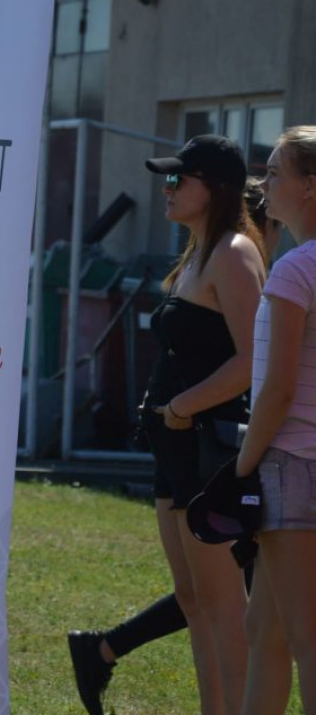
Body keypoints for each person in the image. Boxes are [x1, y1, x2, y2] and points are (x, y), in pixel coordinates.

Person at [67, 174, 282, 714]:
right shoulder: (198, 256)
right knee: (197, 601)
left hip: (211, 448)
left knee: (231, 605)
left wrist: (184, 407)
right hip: (177, 451)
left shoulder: (240, 257)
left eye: (176, 180)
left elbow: (253, 362)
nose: (165, 189)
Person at [238, 125, 316, 714]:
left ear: (310, 187)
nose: (262, 183)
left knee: (307, 644)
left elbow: (277, 391)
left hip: (291, 465)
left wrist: (241, 467)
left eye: (274, 172)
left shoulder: (293, 271)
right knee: (265, 632)